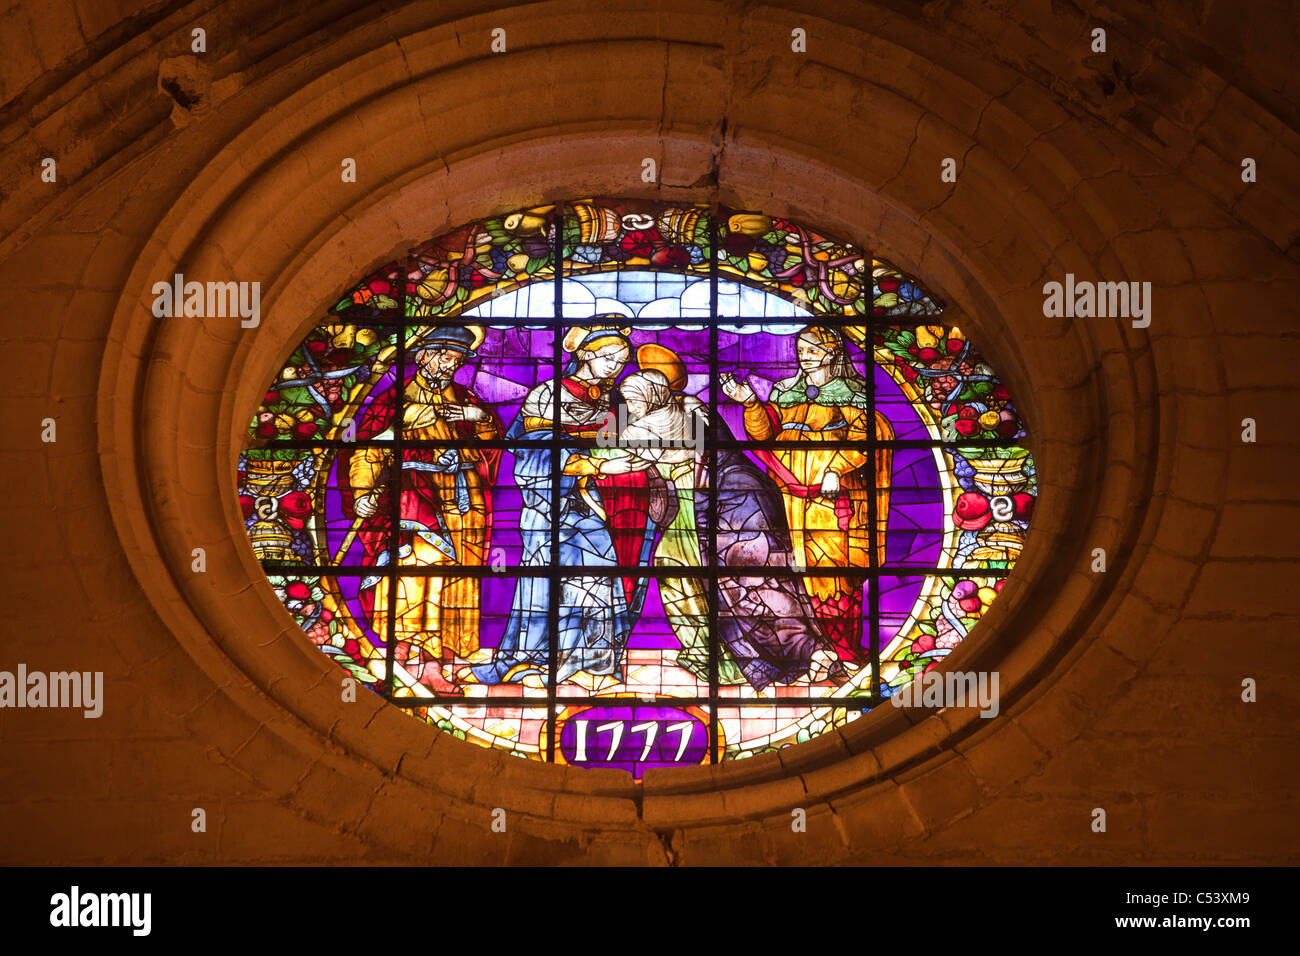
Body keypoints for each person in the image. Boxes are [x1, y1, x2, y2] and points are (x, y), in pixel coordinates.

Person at [467, 320, 655, 689]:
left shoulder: (615, 401)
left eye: (621, 361)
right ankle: (535, 658)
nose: (615, 368)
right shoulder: (548, 393)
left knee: (600, 574)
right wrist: (586, 462)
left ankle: (593, 661)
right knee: (547, 579)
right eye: (608, 359)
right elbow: (531, 445)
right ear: (584, 353)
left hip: (594, 503)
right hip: (550, 503)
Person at [343, 324, 503, 693]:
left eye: (457, 360)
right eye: (444, 357)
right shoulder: (392, 402)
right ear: (423, 355)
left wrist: (479, 421)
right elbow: (369, 449)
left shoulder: (466, 399)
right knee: (417, 570)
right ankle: (415, 655)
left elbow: (492, 446)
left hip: (467, 498)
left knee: (460, 576)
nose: (450, 365)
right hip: (415, 494)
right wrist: (363, 490)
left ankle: (444, 655)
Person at [720, 325, 892, 664]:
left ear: (832, 354)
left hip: (833, 499)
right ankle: (812, 649)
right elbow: (764, 433)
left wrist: (836, 468)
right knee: (795, 569)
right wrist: (751, 402)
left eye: (813, 349)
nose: (804, 356)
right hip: (791, 496)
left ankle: (843, 646)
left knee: (832, 569)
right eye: (801, 349)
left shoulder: (855, 393)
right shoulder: (788, 392)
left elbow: (869, 436)